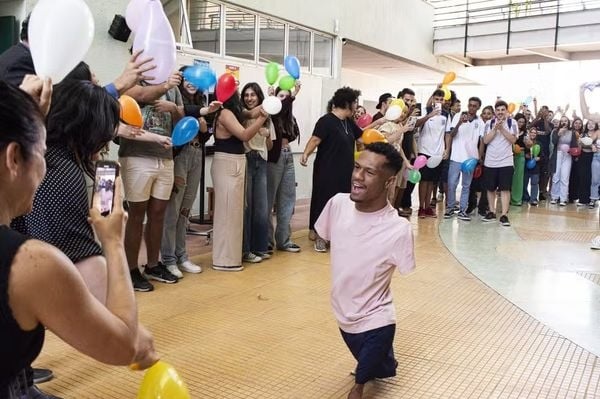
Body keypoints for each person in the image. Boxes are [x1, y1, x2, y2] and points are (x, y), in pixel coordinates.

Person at [0, 79, 157, 398]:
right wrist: (112, 239)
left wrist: (23, 116)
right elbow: (125, 345)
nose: (44, 168)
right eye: (40, 152)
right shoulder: (31, 262)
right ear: (13, 158)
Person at [314, 142, 415, 399]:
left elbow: (404, 268)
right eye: (357, 167)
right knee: (382, 367)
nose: (357, 177)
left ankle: (360, 384)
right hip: (343, 312)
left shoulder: (398, 229)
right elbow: (324, 234)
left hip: (377, 316)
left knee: (367, 368)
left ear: (389, 181)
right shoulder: (338, 204)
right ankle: (385, 363)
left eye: (369, 172)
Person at [120, 72, 184, 291]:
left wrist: (174, 109)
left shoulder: (173, 88)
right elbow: (138, 95)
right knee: (137, 214)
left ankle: (153, 265)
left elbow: (181, 122)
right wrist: (165, 86)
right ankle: (130, 269)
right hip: (137, 156)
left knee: (158, 213)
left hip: (165, 157)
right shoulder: (133, 81)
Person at [160, 68, 220, 278]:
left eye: (195, 79)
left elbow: (206, 134)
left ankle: (182, 255)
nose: (191, 82)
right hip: (179, 156)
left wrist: (203, 130)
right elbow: (183, 111)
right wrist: (202, 114)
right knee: (173, 210)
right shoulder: (176, 98)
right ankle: (168, 259)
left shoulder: (204, 101)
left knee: (186, 209)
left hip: (197, 154)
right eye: (187, 78)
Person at [211, 90, 268, 271]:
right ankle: (225, 259)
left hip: (234, 162)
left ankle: (231, 257)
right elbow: (244, 135)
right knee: (228, 213)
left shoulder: (233, 112)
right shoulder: (225, 113)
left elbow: (251, 112)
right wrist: (261, 120)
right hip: (227, 162)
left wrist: (274, 100)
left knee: (234, 213)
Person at [301, 87, 362, 252]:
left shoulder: (349, 122)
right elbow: (315, 140)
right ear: (347, 103)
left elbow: (362, 138)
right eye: (355, 102)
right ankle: (320, 237)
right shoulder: (326, 121)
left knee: (342, 203)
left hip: (345, 171)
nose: (357, 106)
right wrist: (305, 154)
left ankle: (337, 234)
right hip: (327, 170)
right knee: (324, 200)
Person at [240, 82, 275, 263]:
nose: (249, 98)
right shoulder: (242, 115)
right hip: (246, 158)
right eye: (246, 95)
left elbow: (269, 146)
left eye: (253, 95)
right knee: (247, 206)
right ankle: (246, 250)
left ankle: (260, 247)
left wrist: (268, 134)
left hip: (261, 160)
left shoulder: (268, 118)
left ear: (259, 97)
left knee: (261, 207)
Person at [268, 85, 302, 253]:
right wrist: (293, 95)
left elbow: (294, 133)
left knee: (287, 198)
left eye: (286, 96)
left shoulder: (289, 117)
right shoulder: (271, 112)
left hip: (288, 155)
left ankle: (284, 239)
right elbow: (279, 110)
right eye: (280, 96)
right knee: (269, 200)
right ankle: (267, 241)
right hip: (274, 158)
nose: (284, 99)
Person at [445, 97, 484, 221]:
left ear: (478, 107)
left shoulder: (480, 122)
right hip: (456, 156)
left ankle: (462, 210)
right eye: (470, 105)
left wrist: (479, 157)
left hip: (470, 159)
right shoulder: (457, 116)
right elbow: (451, 134)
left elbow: (482, 142)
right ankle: (450, 208)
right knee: (451, 184)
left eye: (475, 106)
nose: (472, 108)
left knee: (466, 186)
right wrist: (459, 123)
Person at [415, 89, 450, 218]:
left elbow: (447, 134)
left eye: (441, 100)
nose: (439, 102)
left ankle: (428, 206)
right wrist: (429, 115)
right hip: (424, 151)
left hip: (438, 153)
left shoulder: (446, 115)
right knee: (423, 180)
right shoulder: (425, 111)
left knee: (432, 181)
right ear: (432, 99)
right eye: (437, 99)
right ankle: (421, 207)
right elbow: (416, 125)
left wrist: (447, 149)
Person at [482, 101, 518, 226]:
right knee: (490, 188)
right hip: (490, 162)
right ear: (495, 112)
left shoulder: (512, 123)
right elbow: (485, 140)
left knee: (505, 189)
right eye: (498, 110)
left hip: (506, 161)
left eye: (503, 110)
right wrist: (495, 129)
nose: (500, 112)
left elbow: (513, 139)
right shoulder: (488, 123)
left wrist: (502, 129)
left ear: (507, 111)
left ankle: (504, 214)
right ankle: (491, 211)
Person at [549, 116, 578, 206]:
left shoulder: (572, 132)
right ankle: (554, 197)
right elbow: (553, 142)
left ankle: (563, 198)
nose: (564, 123)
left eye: (565, 121)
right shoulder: (556, 131)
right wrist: (559, 134)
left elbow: (574, 145)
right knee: (556, 176)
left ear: (568, 122)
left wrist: (571, 150)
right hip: (557, 154)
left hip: (567, 155)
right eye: (562, 121)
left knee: (565, 177)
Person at [522, 126, 544, 206]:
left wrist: (539, 158)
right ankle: (525, 197)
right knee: (524, 183)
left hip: (535, 166)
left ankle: (533, 199)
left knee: (534, 183)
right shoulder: (525, 142)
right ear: (529, 133)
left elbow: (542, 155)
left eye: (535, 133)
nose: (533, 134)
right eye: (532, 132)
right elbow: (522, 152)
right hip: (525, 165)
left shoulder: (539, 143)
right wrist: (525, 155)